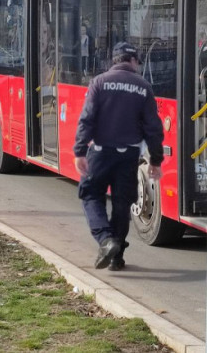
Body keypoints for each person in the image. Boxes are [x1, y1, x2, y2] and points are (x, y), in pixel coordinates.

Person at [73, 41, 164, 271]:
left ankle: (106, 240)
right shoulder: (143, 87)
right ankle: (117, 256)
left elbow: (87, 119)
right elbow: (153, 128)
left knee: (91, 195)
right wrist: (155, 160)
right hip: (129, 155)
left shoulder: (99, 82)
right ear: (132, 61)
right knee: (123, 204)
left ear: (115, 60)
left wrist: (80, 151)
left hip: (100, 153)